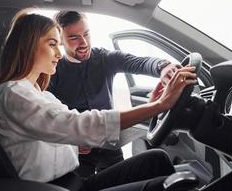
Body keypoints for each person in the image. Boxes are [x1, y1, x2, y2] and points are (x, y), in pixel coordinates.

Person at [0, 9, 197, 191]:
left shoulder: (37, 93)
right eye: (53, 44)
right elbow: (75, 124)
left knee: (155, 159)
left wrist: (162, 68)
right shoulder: (14, 94)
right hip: (58, 186)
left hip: (75, 177)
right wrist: (160, 105)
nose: (58, 54)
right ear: (28, 46)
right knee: (172, 184)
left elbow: (51, 130)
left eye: (86, 34)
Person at [48, 10, 179, 177]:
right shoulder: (52, 70)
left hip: (110, 144)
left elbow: (139, 62)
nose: (84, 43)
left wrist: (163, 66)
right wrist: (67, 141)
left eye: (86, 34)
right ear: (60, 41)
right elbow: (49, 116)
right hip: (76, 151)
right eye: (74, 38)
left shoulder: (105, 58)